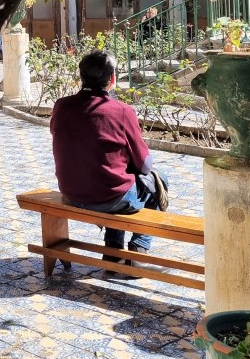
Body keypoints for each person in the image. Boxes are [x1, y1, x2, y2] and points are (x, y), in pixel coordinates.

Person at [50, 50, 168, 272]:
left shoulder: (62, 106)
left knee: (116, 179)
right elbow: (144, 165)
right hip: (107, 198)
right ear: (112, 78)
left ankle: (113, 253)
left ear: (81, 77)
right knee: (158, 181)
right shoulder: (121, 111)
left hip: (72, 192)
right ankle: (138, 252)